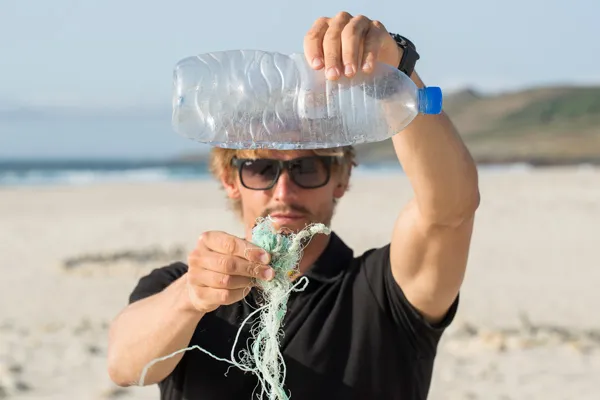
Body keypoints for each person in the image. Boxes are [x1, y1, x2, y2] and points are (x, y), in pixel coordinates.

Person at [107, 11, 480, 400]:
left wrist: (395, 74)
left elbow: (449, 212)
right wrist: (191, 298)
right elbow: (123, 365)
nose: (283, 190)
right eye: (260, 167)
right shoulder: (179, 288)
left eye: (307, 167)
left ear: (341, 178)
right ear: (230, 179)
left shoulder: (383, 295)